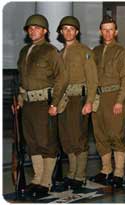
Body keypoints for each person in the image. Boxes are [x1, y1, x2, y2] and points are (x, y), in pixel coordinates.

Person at [16, 14, 68, 197]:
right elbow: (22, 78)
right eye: (30, 28)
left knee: (46, 143)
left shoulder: (50, 51)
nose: (32, 31)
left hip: (44, 104)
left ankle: (46, 182)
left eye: (37, 28)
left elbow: (62, 78)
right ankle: (37, 179)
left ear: (45, 31)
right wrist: (20, 99)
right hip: (28, 104)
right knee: (32, 143)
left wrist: (54, 104)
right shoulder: (24, 51)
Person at [56, 16, 98, 189]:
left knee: (79, 139)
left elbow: (93, 80)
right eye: (64, 28)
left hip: (79, 100)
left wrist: (89, 102)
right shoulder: (59, 54)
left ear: (77, 32)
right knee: (66, 139)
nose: (68, 32)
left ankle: (80, 176)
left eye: (71, 29)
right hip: (63, 102)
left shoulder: (85, 51)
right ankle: (72, 173)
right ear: (60, 32)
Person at [90, 16, 125, 188]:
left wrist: (120, 101)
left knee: (116, 136)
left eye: (110, 29)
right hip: (98, 99)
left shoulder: (122, 51)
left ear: (116, 32)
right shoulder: (95, 51)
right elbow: (90, 78)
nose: (107, 32)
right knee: (100, 136)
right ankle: (106, 169)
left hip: (115, 98)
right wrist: (90, 100)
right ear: (100, 32)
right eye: (104, 29)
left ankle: (119, 172)